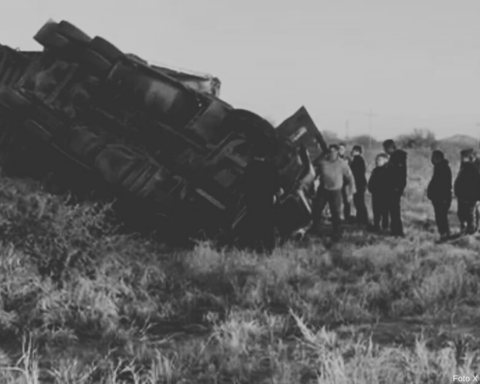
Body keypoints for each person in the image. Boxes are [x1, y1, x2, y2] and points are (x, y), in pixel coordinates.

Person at [243, 140, 281, 254]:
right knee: (268, 225)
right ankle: (269, 250)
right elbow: (276, 184)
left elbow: (244, 184)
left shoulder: (249, 167)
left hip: (252, 199)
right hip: (266, 199)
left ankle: (252, 248)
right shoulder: (271, 167)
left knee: (253, 223)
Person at [312, 144, 355, 239]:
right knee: (316, 209)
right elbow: (314, 170)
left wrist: (350, 193)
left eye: (334, 151)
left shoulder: (342, 163)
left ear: (337, 152)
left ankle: (336, 231)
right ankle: (315, 228)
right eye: (330, 151)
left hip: (335, 191)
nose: (331, 153)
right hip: (323, 189)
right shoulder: (322, 162)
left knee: (335, 212)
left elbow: (350, 178)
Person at [383, 139, 407, 237]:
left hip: (395, 187)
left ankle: (397, 231)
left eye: (385, 148)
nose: (385, 151)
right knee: (393, 210)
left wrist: (398, 187)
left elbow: (398, 174)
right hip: (394, 187)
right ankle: (395, 230)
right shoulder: (395, 157)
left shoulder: (397, 157)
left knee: (394, 210)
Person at [427, 150, 452, 241]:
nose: (432, 160)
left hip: (442, 198)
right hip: (439, 198)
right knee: (441, 216)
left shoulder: (443, 168)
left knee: (441, 217)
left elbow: (444, 186)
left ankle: (444, 235)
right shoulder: (439, 167)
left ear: (438, 158)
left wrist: (442, 198)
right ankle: (445, 234)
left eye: (433, 158)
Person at [454, 148, 480, 235]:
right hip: (463, 194)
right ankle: (467, 229)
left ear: (470, 156)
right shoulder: (465, 165)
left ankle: (471, 232)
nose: (462, 158)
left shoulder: (474, 167)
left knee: (470, 213)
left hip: (470, 195)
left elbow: (475, 182)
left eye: (464, 157)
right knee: (463, 212)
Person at [368, 153, 390, 232]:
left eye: (379, 160)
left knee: (384, 212)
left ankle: (385, 227)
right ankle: (376, 226)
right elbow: (371, 180)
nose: (377, 161)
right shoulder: (375, 170)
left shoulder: (388, 170)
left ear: (386, 160)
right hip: (375, 194)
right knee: (376, 211)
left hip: (384, 194)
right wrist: (370, 187)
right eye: (376, 160)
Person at [349, 145, 369, 226]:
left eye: (353, 151)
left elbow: (355, 173)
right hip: (361, 183)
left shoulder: (357, 160)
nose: (352, 152)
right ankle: (362, 219)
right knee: (360, 201)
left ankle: (361, 220)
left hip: (358, 184)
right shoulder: (360, 160)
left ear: (358, 152)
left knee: (358, 202)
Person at [338, 142, 354, 221]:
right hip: (336, 182)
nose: (340, 150)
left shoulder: (347, 159)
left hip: (345, 182)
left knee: (346, 200)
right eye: (339, 149)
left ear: (345, 150)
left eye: (342, 149)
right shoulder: (334, 159)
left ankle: (346, 216)